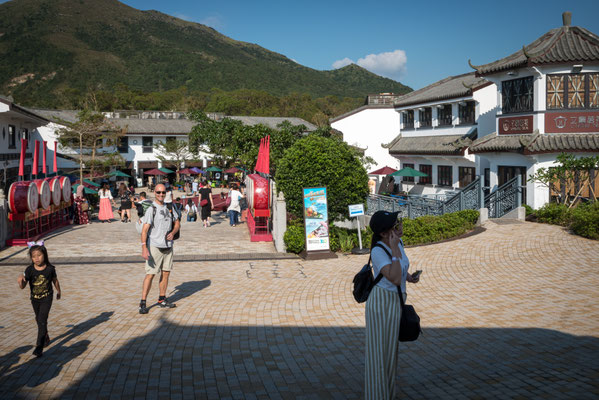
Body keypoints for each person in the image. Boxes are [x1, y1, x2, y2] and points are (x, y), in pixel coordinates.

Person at [365, 211, 420, 400]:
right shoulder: (378, 250)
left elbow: (401, 271)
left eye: (398, 222)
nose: (399, 226)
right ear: (383, 233)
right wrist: (395, 250)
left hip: (395, 302)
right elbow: (395, 278)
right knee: (380, 353)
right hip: (381, 304)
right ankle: (376, 395)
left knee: (390, 353)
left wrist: (410, 277)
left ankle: (387, 393)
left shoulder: (399, 243)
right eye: (394, 225)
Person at [139, 183, 180, 314]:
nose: (161, 195)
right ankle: (143, 302)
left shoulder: (170, 207)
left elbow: (177, 223)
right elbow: (144, 231)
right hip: (154, 246)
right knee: (150, 274)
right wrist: (144, 248)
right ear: (154, 193)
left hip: (168, 246)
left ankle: (162, 299)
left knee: (166, 272)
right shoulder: (152, 209)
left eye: (163, 192)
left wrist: (173, 232)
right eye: (158, 192)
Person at [17, 242, 61, 358]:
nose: (36, 258)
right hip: (35, 299)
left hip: (47, 297)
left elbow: (55, 280)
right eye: (33, 256)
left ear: (44, 255)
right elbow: (23, 286)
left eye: (39, 255)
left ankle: (39, 346)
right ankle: (45, 335)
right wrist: (20, 282)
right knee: (39, 319)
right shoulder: (29, 270)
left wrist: (59, 291)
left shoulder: (50, 269)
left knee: (42, 320)